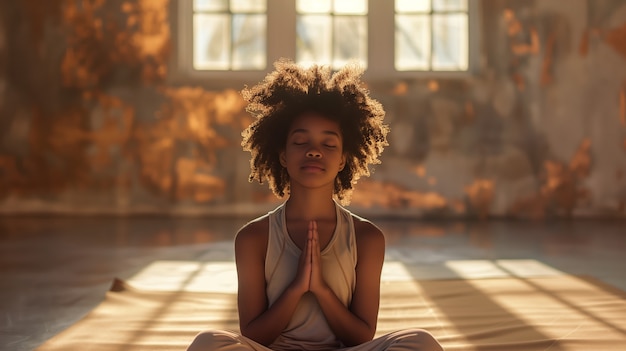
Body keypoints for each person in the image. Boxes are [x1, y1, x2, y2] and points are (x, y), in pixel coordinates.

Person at [186, 59, 444, 351]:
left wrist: (321, 290)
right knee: (208, 343)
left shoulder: (367, 238)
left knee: (420, 342)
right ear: (282, 155)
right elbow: (254, 336)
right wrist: (296, 288)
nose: (314, 151)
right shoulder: (253, 238)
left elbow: (361, 338)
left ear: (344, 159)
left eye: (328, 144)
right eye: (300, 142)